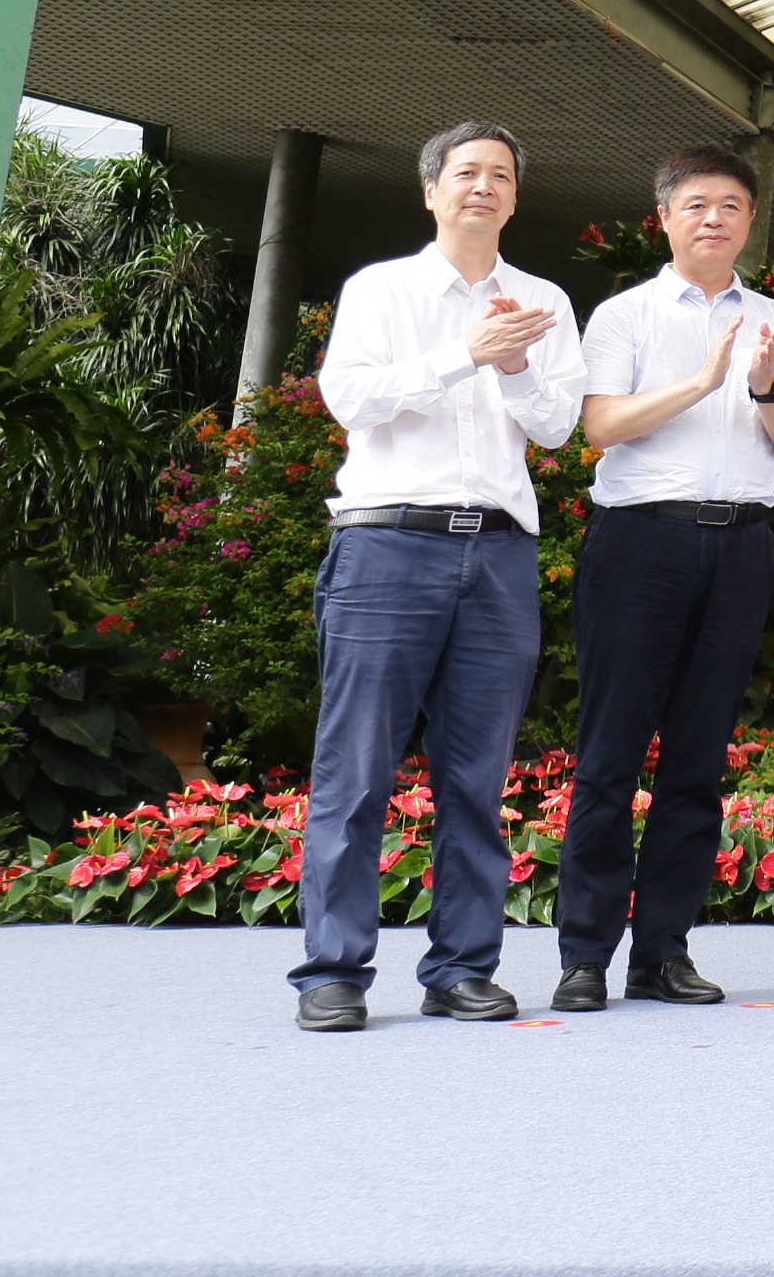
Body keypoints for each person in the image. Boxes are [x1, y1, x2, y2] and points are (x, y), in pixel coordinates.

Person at [290, 122, 585, 1032]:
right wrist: (469, 353)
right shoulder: (381, 289)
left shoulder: (543, 301)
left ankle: (461, 968)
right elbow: (352, 399)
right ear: (431, 191)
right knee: (356, 767)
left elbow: (556, 428)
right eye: (466, 173)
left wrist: (517, 361)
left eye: (501, 175)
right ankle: (334, 971)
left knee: (477, 776)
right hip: (388, 543)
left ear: (515, 198)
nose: (483, 186)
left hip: (497, 551)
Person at [552, 144, 774, 1013]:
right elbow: (599, 426)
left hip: (739, 545)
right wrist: (703, 382)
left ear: (750, 222)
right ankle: (585, 955)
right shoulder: (625, 315)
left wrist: (764, 386)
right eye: (696, 204)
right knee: (610, 754)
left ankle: (663, 951)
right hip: (641, 543)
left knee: (699, 757)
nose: (714, 219)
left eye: (731, 206)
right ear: (663, 217)